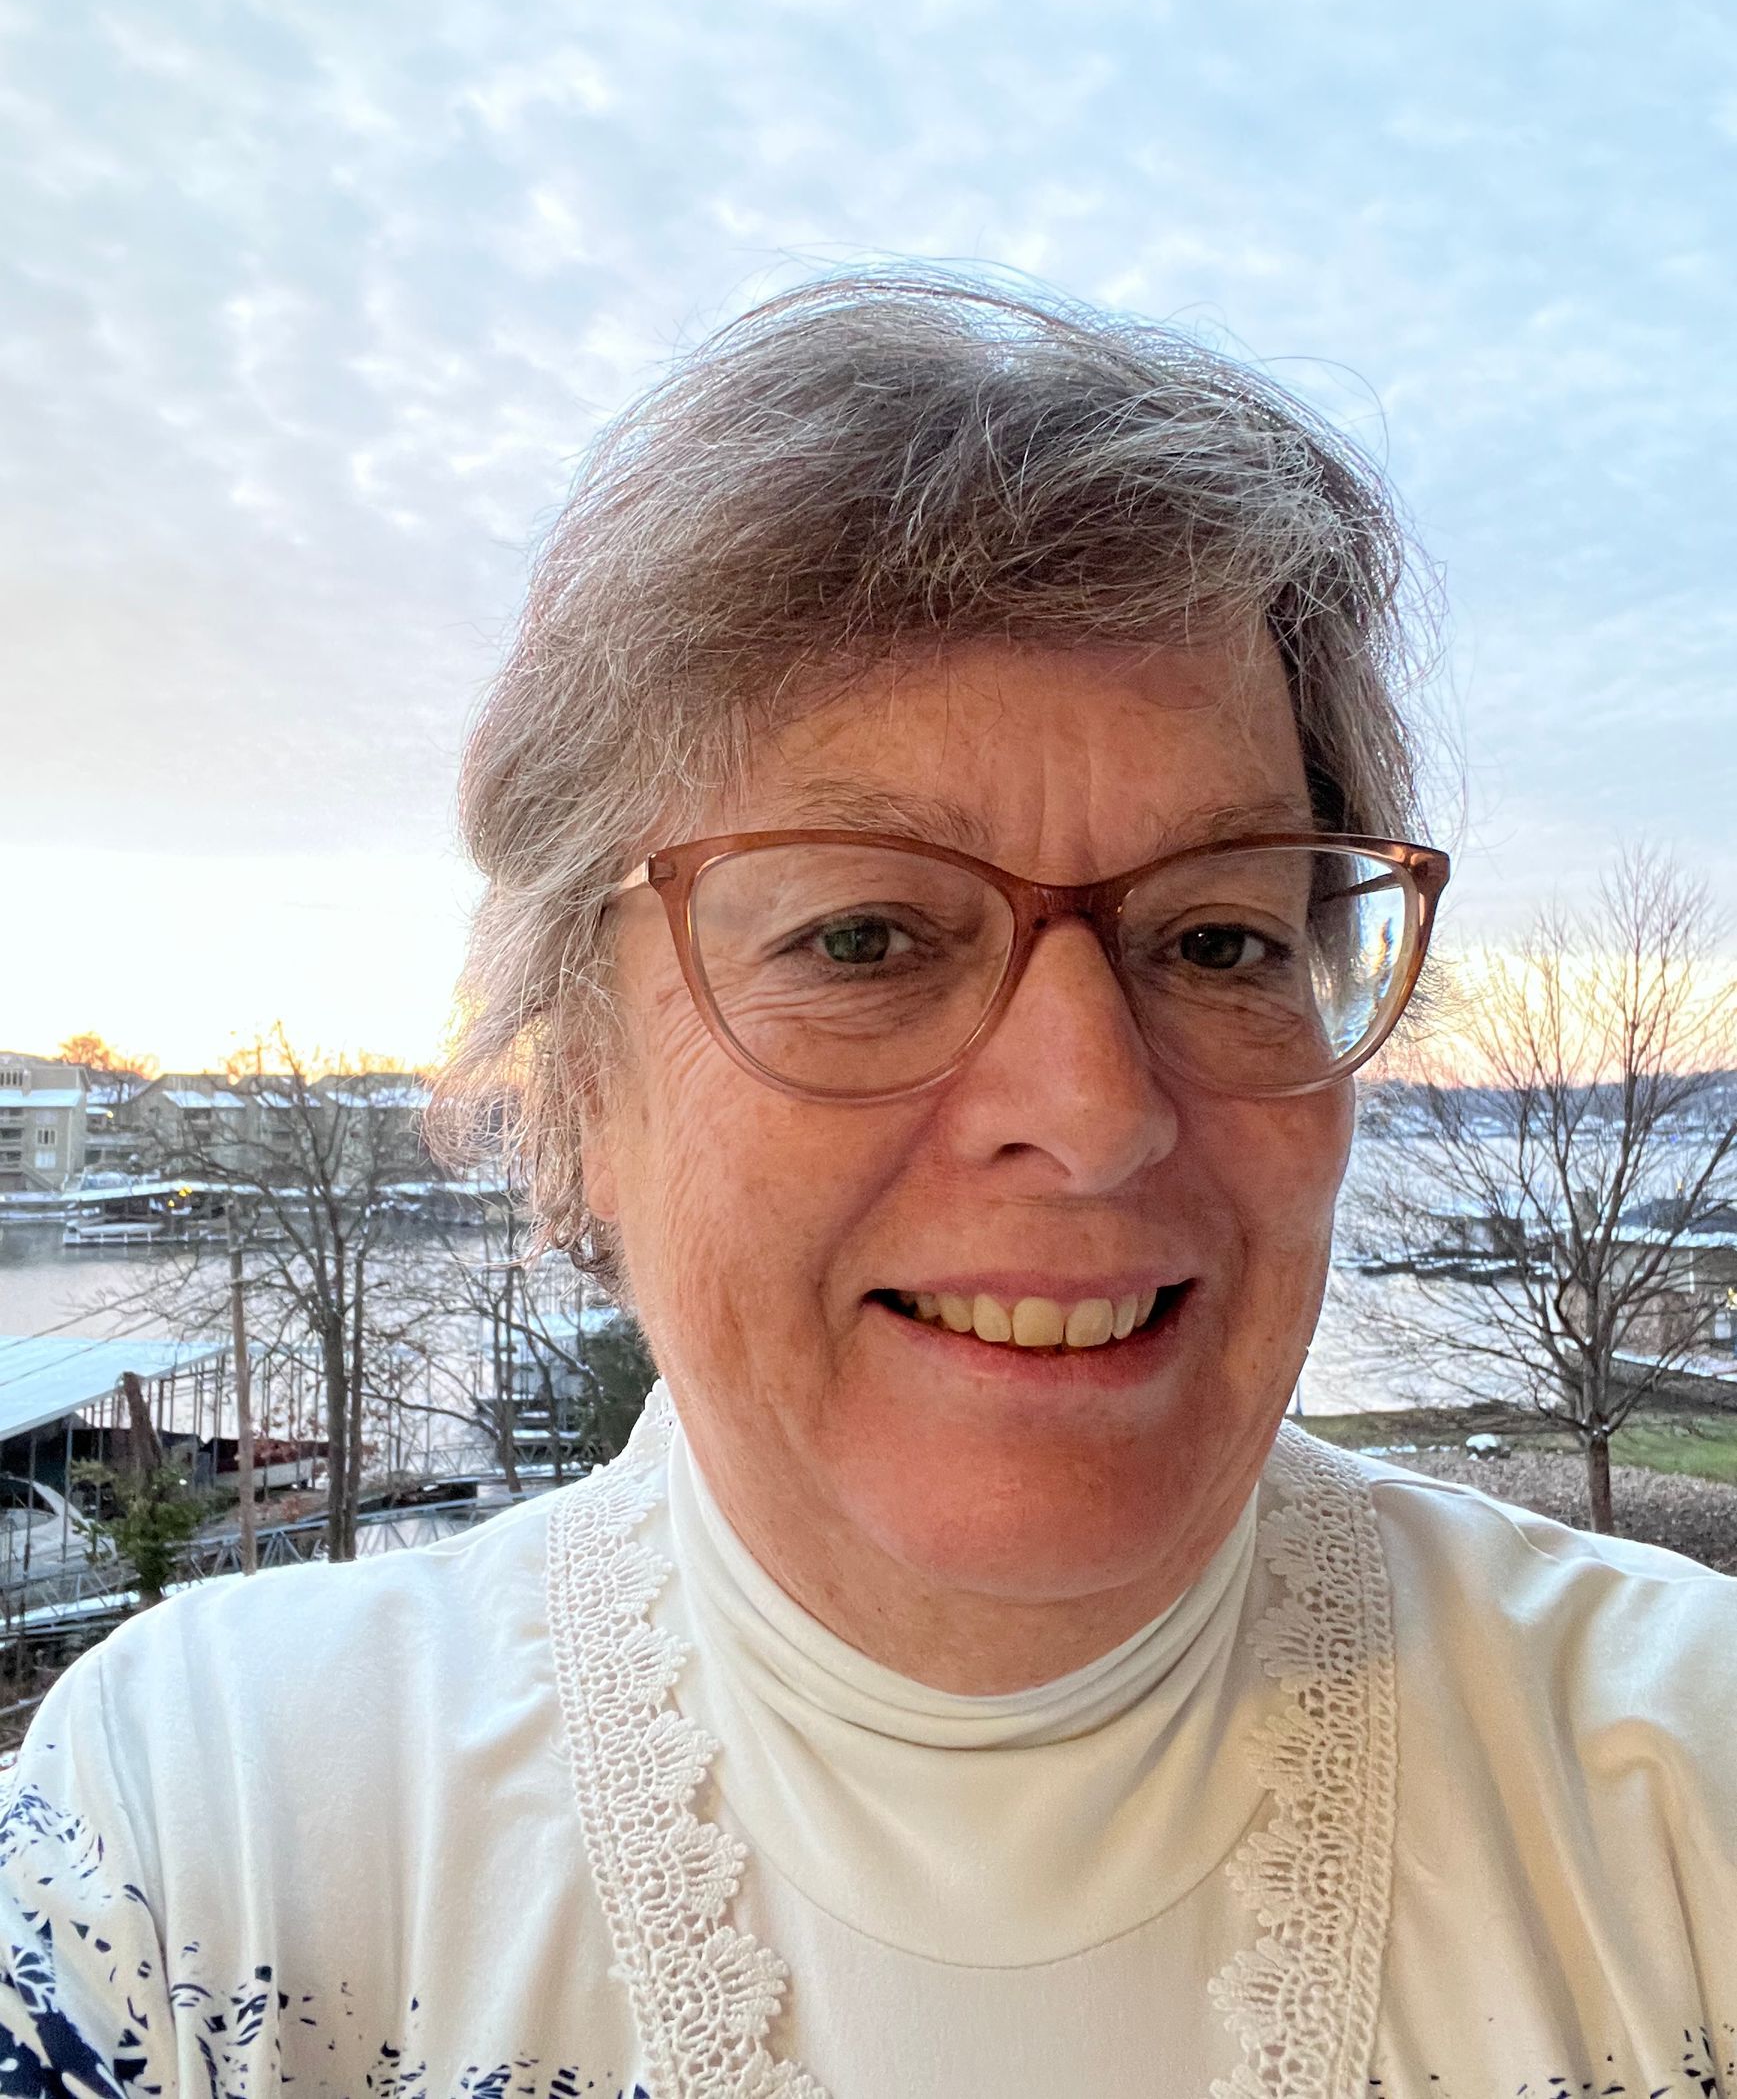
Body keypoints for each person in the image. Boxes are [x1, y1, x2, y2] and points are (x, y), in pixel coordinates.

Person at [2, 274, 1732, 2099]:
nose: (1092, 1115)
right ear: (578, 1078)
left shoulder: (1680, 1789)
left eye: (1217, 937)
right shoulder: (206, 1845)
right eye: (864, 932)